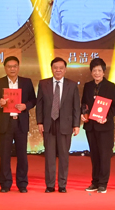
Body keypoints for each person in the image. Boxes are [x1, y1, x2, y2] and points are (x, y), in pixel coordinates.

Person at [0, 56, 36, 193]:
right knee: (4, 155)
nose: (12, 69)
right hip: (6, 123)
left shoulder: (26, 82)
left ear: (18, 67)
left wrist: (25, 106)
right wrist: (0, 103)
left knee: (22, 155)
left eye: (14, 66)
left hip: (21, 122)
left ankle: (22, 184)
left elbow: (33, 100)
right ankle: (5, 184)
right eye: (9, 66)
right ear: (5, 68)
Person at [36, 57, 81, 193]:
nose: (58, 70)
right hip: (48, 124)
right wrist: (39, 122)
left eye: (61, 68)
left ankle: (62, 185)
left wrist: (76, 124)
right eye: (55, 68)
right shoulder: (43, 84)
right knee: (49, 156)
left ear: (65, 69)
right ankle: (50, 185)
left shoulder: (72, 85)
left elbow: (76, 107)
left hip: (65, 125)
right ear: (51, 69)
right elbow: (39, 104)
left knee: (64, 157)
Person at [81, 58, 115, 194]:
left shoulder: (110, 86)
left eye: (99, 70)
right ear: (91, 72)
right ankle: (95, 182)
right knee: (94, 155)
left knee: (104, 155)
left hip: (105, 127)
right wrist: (83, 114)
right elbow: (84, 104)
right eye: (94, 70)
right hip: (91, 126)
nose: (96, 73)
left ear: (104, 72)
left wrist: (106, 117)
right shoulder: (88, 86)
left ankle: (103, 183)